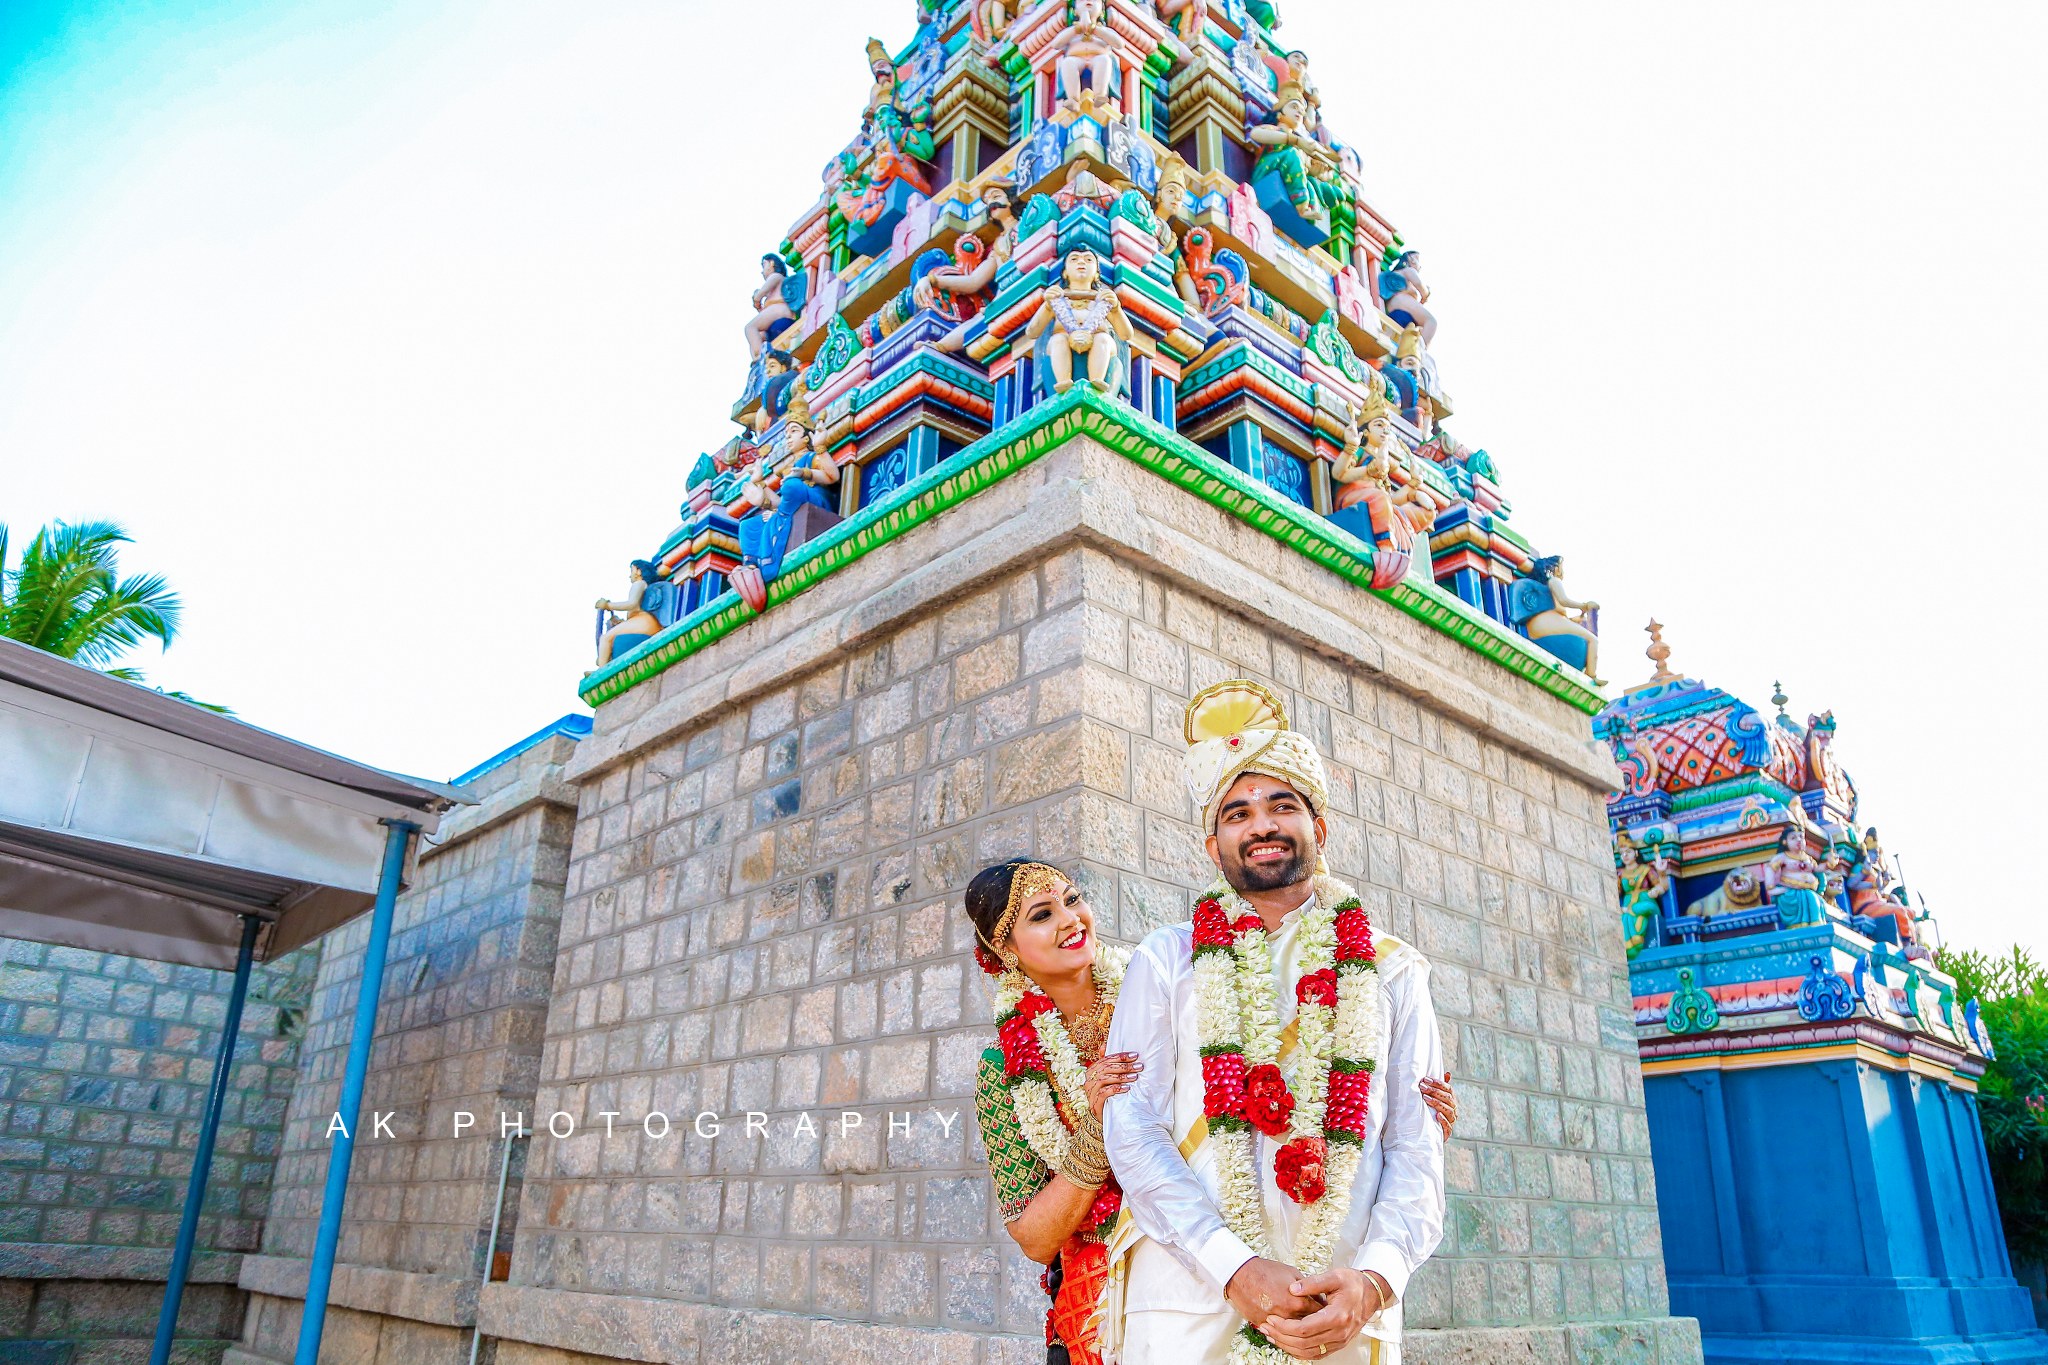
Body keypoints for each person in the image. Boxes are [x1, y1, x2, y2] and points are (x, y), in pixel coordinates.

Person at [967, 855, 1457, 1365]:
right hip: (1103, 1308)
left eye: (1073, 900)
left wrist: (1396, 1104)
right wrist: (1102, 1124)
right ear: (1004, 950)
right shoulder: (1004, 1067)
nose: (1070, 920)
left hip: (1223, 1266)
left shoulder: (1168, 983)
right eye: (1042, 915)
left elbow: (1272, 1074)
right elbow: (1034, 1238)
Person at [1100, 680, 1448, 1363]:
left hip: (1338, 1307)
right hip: (1188, 1304)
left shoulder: (1393, 968)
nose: (1261, 824)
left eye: (1281, 805)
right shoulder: (1167, 958)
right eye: (1237, 812)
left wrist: (1376, 1279)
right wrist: (1232, 1263)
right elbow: (1133, 1126)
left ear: (1318, 829)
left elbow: (1416, 1145)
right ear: (1213, 844)